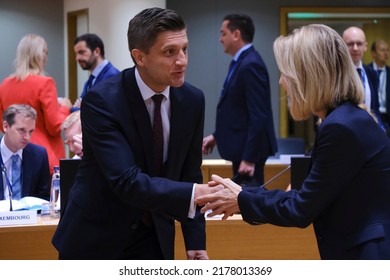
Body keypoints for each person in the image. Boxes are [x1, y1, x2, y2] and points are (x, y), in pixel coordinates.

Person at [196, 24, 390, 260]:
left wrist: (240, 199)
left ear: (308, 76)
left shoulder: (340, 127)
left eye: (286, 73)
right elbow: (304, 196)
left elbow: (301, 208)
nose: (281, 82)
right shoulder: (345, 118)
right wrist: (243, 195)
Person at [52, 7, 218, 260]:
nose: (182, 60)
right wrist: (198, 193)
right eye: (170, 52)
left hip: (155, 238)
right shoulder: (103, 99)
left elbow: (189, 172)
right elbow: (126, 180)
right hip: (96, 239)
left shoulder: (192, 100)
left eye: (185, 49)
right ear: (140, 57)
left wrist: (194, 240)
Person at [202, 14, 277, 187]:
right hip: (243, 148)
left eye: (223, 33)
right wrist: (216, 136)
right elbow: (238, 111)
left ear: (236, 34)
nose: (220, 39)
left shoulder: (251, 64)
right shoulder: (241, 62)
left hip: (249, 152)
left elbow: (258, 115)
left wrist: (249, 158)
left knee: (250, 205)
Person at [0, 34, 71, 174]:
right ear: (40, 55)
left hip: (13, 153)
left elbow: (2, 124)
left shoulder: (5, 84)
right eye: (45, 52)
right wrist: (64, 108)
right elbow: (54, 126)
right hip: (43, 156)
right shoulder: (45, 83)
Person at [0, 104, 50, 201]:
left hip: (29, 215)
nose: (27, 137)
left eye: (31, 131)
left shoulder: (39, 155)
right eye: (22, 130)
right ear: (5, 126)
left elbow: (43, 198)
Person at [71, 33, 120, 111]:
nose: (77, 58)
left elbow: (97, 112)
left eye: (81, 52)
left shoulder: (112, 77)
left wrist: (76, 108)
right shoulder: (89, 81)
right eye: (76, 54)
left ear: (96, 51)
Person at [342, 26, 381, 122]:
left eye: (359, 44)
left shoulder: (372, 73)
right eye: (350, 44)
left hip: (369, 131)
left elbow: (375, 108)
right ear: (342, 46)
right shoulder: (335, 74)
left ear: (365, 47)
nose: (355, 48)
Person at [368, 39, 390, 136]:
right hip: (371, 114)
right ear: (373, 53)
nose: (386, 53)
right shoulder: (366, 71)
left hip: (388, 116)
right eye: (382, 50)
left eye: (387, 50)